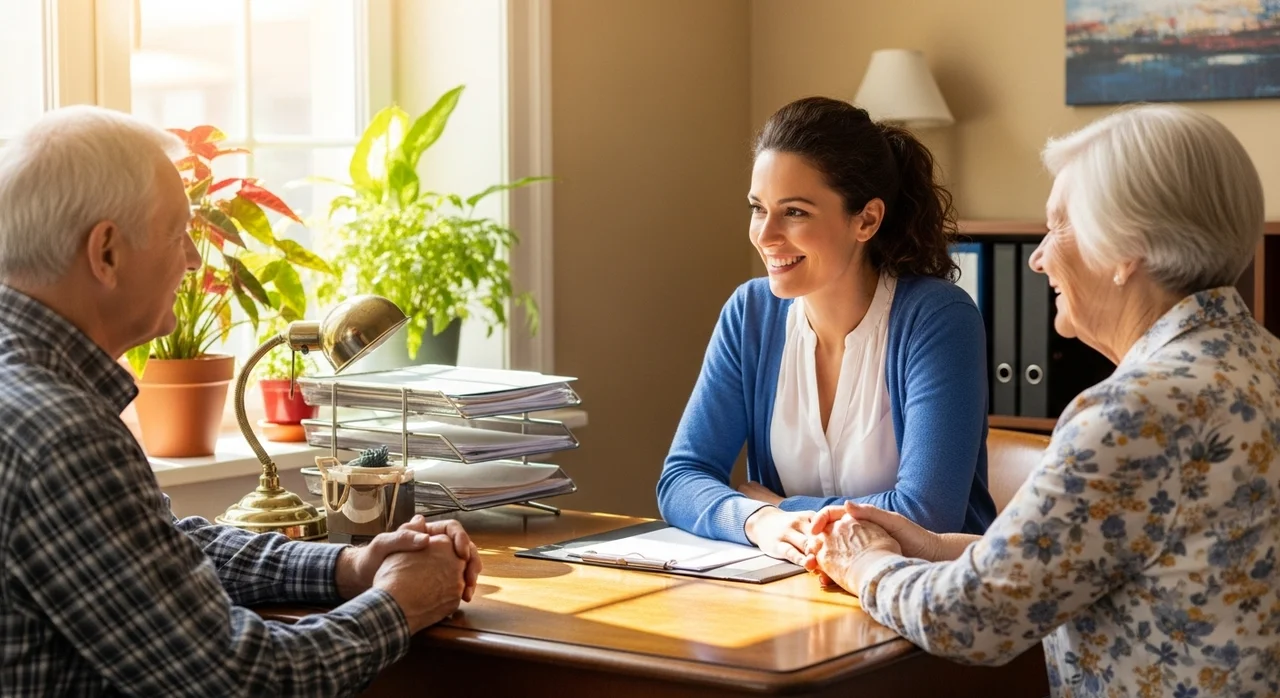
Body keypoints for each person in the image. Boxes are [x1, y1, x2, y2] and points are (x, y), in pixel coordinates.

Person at [0, 106, 481, 696]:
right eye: (177, 234)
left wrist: (348, 566)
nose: (192, 260)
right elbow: (242, 680)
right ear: (106, 253)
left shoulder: (28, 390)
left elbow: (158, 549)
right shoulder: (61, 434)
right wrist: (400, 603)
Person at [806, 104, 1280, 696]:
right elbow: (1080, 557)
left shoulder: (1133, 413)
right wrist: (927, 545)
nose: (1038, 257)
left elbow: (972, 620)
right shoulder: (1260, 364)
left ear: (1125, 249)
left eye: (1059, 227)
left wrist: (863, 562)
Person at [657, 96, 996, 567]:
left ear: (867, 219)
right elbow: (681, 478)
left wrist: (782, 507)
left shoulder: (937, 318)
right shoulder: (750, 314)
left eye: (795, 212)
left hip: (924, 594)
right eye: (758, 208)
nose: (765, 235)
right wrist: (758, 520)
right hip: (794, 590)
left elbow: (926, 516)